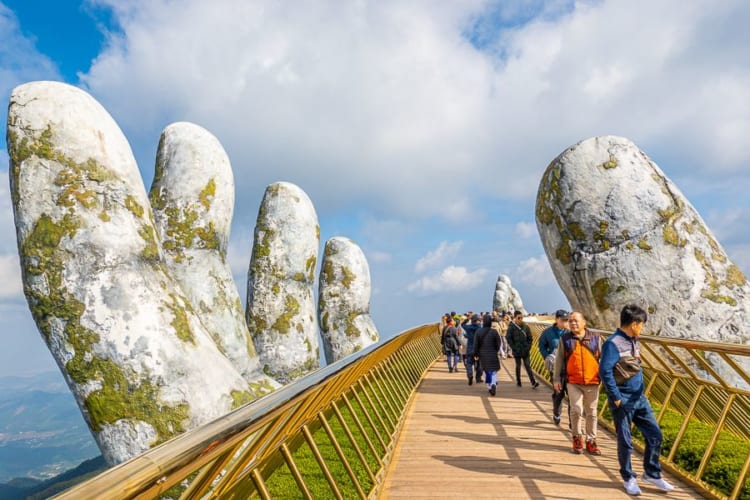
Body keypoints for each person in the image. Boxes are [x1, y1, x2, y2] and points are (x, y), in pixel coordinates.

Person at [599, 304, 675, 495]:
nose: (642, 328)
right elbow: (605, 370)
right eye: (641, 324)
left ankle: (652, 473)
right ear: (634, 324)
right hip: (623, 400)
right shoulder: (613, 343)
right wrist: (616, 397)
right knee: (625, 441)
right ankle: (628, 478)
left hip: (639, 399)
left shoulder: (634, 340)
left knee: (655, 435)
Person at [553, 311, 601, 455]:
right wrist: (556, 379)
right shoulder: (565, 339)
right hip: (573, 381)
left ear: (584, 322)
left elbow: (603, 359)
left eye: (576, 321)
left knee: (592, 412)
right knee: (576, 410)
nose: (573, 323)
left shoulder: (596, 338)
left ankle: (591, 440)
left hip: (592, 381)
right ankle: (577, 437)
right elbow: (559, 360)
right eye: (570, 321)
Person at [539, 309, 569, 425]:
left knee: (571, 396)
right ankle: (557, 413)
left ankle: (573, 423)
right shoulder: (547, 332)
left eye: (567, 320)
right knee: (558, 394)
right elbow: (541, 346)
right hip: (556, 369)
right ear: (556, 320)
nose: (565, 323)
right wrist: (547, 356)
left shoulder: (570, 333)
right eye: (563, 320)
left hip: (569, 369)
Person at [507, 310, 539, 388]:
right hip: (517, 350)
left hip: (525, 350)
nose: (521, 319)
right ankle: (518, 381)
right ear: (515, 318)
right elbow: (508, 338)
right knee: (518, 365)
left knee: (528, 365)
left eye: (522, 317)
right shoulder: (511, 328)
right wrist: (513, 347)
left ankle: (533, 382)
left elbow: (530, 338)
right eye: (519, 318)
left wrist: (528, 347)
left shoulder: (526, 327)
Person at [473, 314, 503, 396]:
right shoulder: (494, 331)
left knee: (486, 371)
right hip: (493, 353)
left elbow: (476, 344)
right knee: (493, 371)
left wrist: (475, 353)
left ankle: (489, 386)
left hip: (483, 354)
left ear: (483, 322)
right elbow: (498, 343)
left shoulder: (478, 331)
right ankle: (493, 383)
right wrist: (495, 350)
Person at [461, 314, 482, 385]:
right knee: (479, 363)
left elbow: (462, 324)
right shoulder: (480, 327)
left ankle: (470, 375)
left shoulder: (468, 327)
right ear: (477, 320)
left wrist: (467, 319)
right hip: (478, 348)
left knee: (469, 363)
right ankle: (478, 378)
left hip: (470, 348)